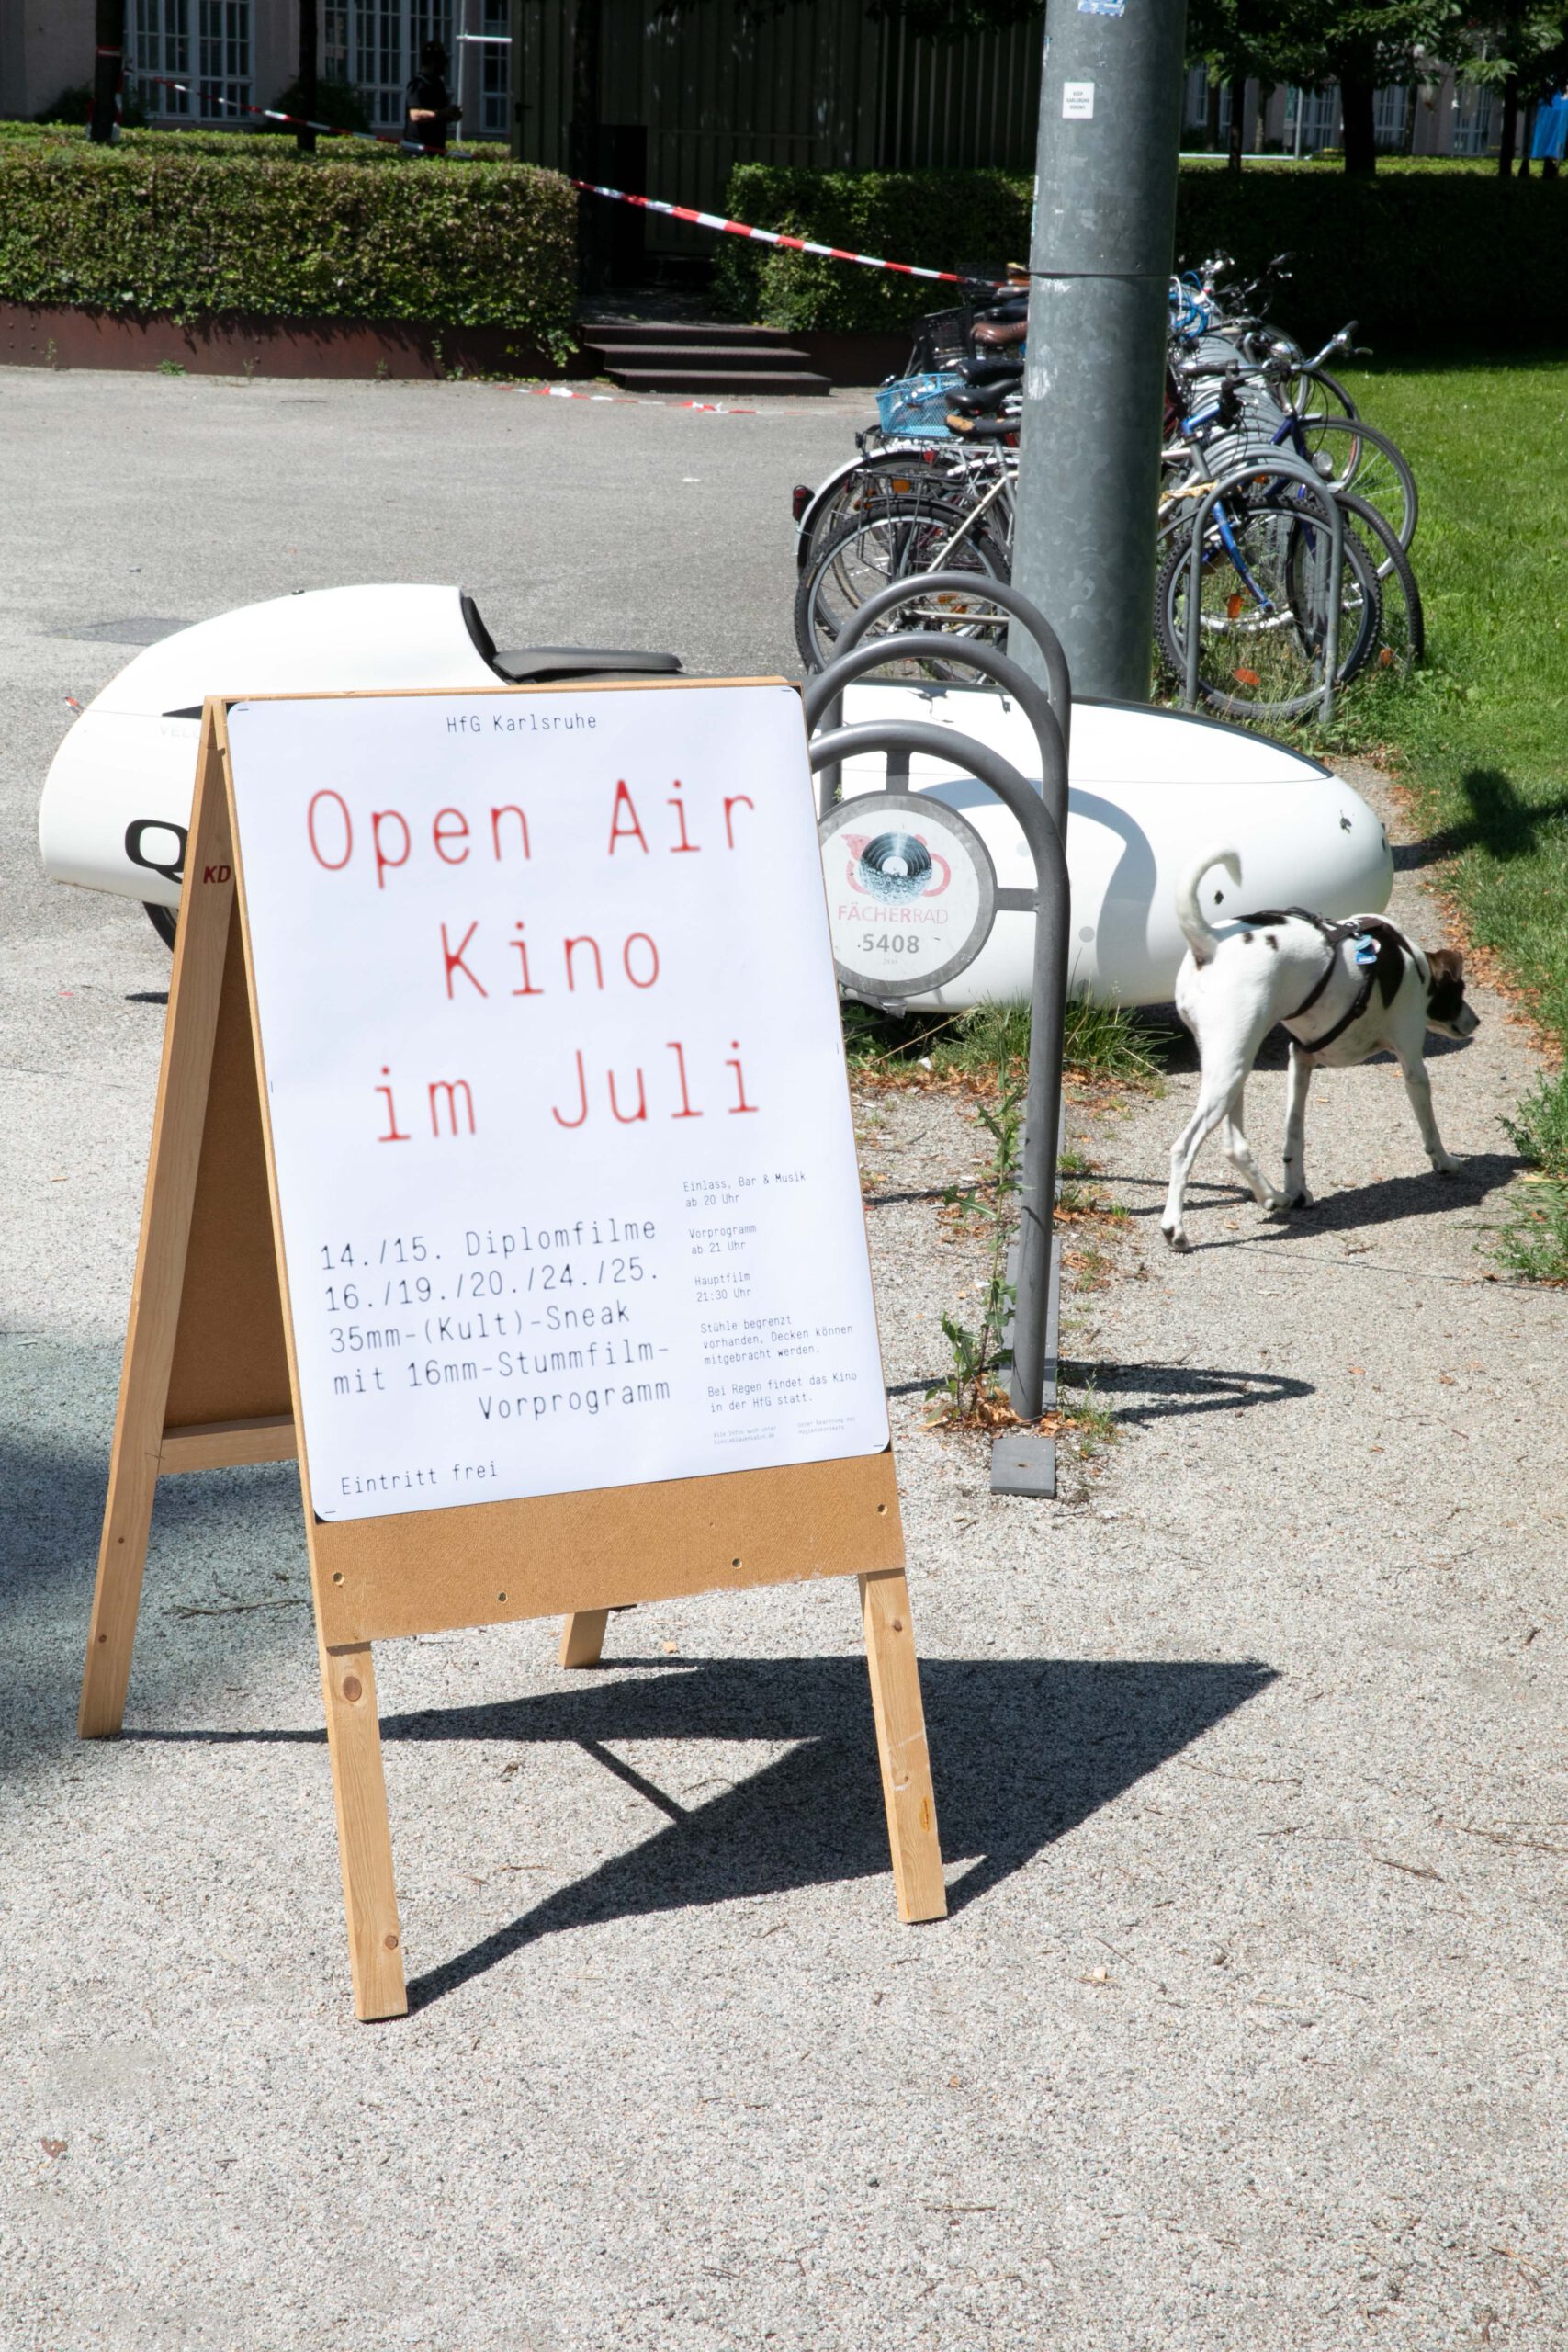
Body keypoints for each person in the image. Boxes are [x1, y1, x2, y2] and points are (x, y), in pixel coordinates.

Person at [402, 39, 461, 155]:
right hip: (418, 150)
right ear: (434, 62)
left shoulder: (438, 85)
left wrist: (452, 114)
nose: (445, 67)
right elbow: (415, 115)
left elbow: (440, 114)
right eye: (443, 62)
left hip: (436, 150)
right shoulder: (417, 84)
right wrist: (443, 113)